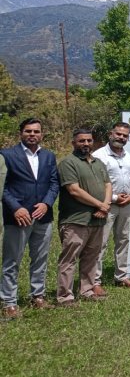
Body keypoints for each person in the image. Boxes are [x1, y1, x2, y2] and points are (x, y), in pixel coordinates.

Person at [1, 118, 59, 319]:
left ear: (42, 134)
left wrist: (46, 203)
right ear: (21, 133)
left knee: (40, 259)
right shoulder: (7, 155)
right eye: (28, 131)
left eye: (36, 131)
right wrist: (16, 208)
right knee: (12, 260)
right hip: (18, 218)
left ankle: (38, 296)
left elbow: (54, 183)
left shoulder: (49, 156)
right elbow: (4, 186)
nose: (32, 134)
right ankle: (9, 301)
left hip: (43, 216)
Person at [56, 129, 113, 306]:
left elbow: (108, 185)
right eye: (81, 141)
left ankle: (87, 289)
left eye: (89, 141)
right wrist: (99, 204)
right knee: (70, 258)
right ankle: (65, 295)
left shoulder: (98, 163)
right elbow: (74, 190)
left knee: (91, 256)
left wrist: (105, 206)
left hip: (98, 218)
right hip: (76, 219)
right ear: (74, 143)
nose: (86, 144)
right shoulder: (68, 163)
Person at [92, 122, 130, 289]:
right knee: (100, 243)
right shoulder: (99, 156)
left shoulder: (127, 155)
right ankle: (95, 281)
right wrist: (114, 198)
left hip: (126, 204)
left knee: (123, 240)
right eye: (118, 134)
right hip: (106, 205)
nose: (121, 137)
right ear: (110, 134)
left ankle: (121, 276)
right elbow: (94, 183)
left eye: (125, 135)